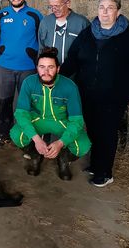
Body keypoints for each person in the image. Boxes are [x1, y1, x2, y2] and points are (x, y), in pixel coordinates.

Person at [61, 0, 129, 187]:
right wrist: (58, 77)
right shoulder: (89, 32)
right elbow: (73, 58)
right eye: (102, 7)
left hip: (114, 94)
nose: (105, 12)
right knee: (92, 129)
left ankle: (105, 172)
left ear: (118, 11)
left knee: (107, 132)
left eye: (110, 8)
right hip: (88, 92)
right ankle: (96, 164)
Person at [10, 48, 91, 180]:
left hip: (61, 122)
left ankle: (63, 159)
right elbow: (21, 113)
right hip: (38, 120)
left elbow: (77, 120)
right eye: (42, 67)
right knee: (16, 134)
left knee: (83, 145)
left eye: (50, 67)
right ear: (37, 68)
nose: (46, 72)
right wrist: (36, 139)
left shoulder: (69, 86)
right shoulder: (29, 82)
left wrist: (60, 143)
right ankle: (36, 155)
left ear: (58, 69)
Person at [0, 0, 43, 146]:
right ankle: (4, 133)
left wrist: (34, 54)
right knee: (5, 102)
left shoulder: (35, 15)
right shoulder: (1, 15)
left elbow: (41, 37)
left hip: (28, 67)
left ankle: (27, 135)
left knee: (27, 104)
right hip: (5, 65)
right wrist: (2, 48)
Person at [38, 0, 90, 64]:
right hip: (50, 73)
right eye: (51, 6)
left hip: (73, 74)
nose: (54, 10)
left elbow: (88, 51)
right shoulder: (45, 22)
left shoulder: (82, 23)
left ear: (68, 3)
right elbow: (41, 48)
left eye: (57, 6)